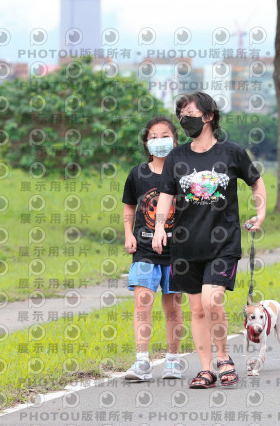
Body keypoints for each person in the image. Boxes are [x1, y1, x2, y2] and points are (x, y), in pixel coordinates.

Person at [152, 91, 266, 388]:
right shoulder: (176, 156)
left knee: (211, 300)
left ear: (209, 116)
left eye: (190, 114)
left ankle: (224, 357)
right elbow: (166, 195)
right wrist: (160, 227)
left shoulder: (231, 152)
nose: (184, 119)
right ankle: (206, 369)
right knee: (197, 309)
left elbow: (256, 182)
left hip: (223, 243)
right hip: (186, 246)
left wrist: (261, 213)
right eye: (181, 115)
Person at [122, 116, 183, 381]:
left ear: (175, 140)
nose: (159, 141)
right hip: (145, 250)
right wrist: (128, 234)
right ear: (146, 143)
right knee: (142, 303)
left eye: (165, 136)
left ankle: (173, 361)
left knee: (173, 307)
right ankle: (142, 362)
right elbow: (129, 206)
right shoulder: (137, 173)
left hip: (177, 251)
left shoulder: (183, 173)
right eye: (153, 137)